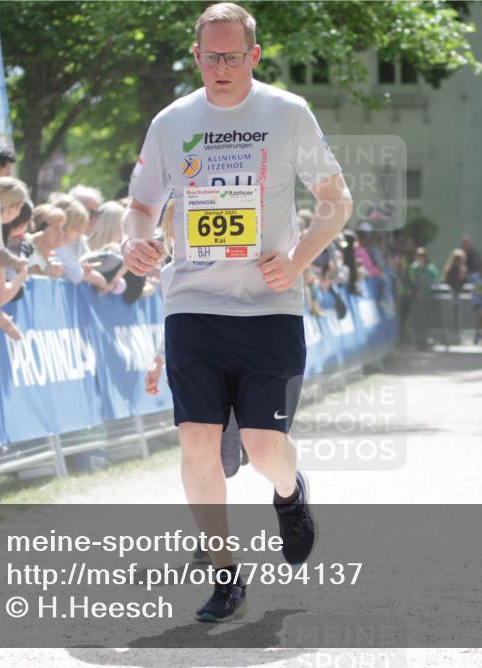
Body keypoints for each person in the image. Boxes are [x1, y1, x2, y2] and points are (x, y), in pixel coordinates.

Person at [122, 2, 351, 622]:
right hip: (192, 304)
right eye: (209, 56)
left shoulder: (286, 113)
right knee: (196, 442)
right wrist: (133, 240)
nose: (220, 67)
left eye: (232, 56)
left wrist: (299, 260)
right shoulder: (172, 122)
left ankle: (289, 492)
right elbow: (141, 205)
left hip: (270, 309)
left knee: (264, 444)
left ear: (253, 56)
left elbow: (336, 200)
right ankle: (225, 576)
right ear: (195, 57)